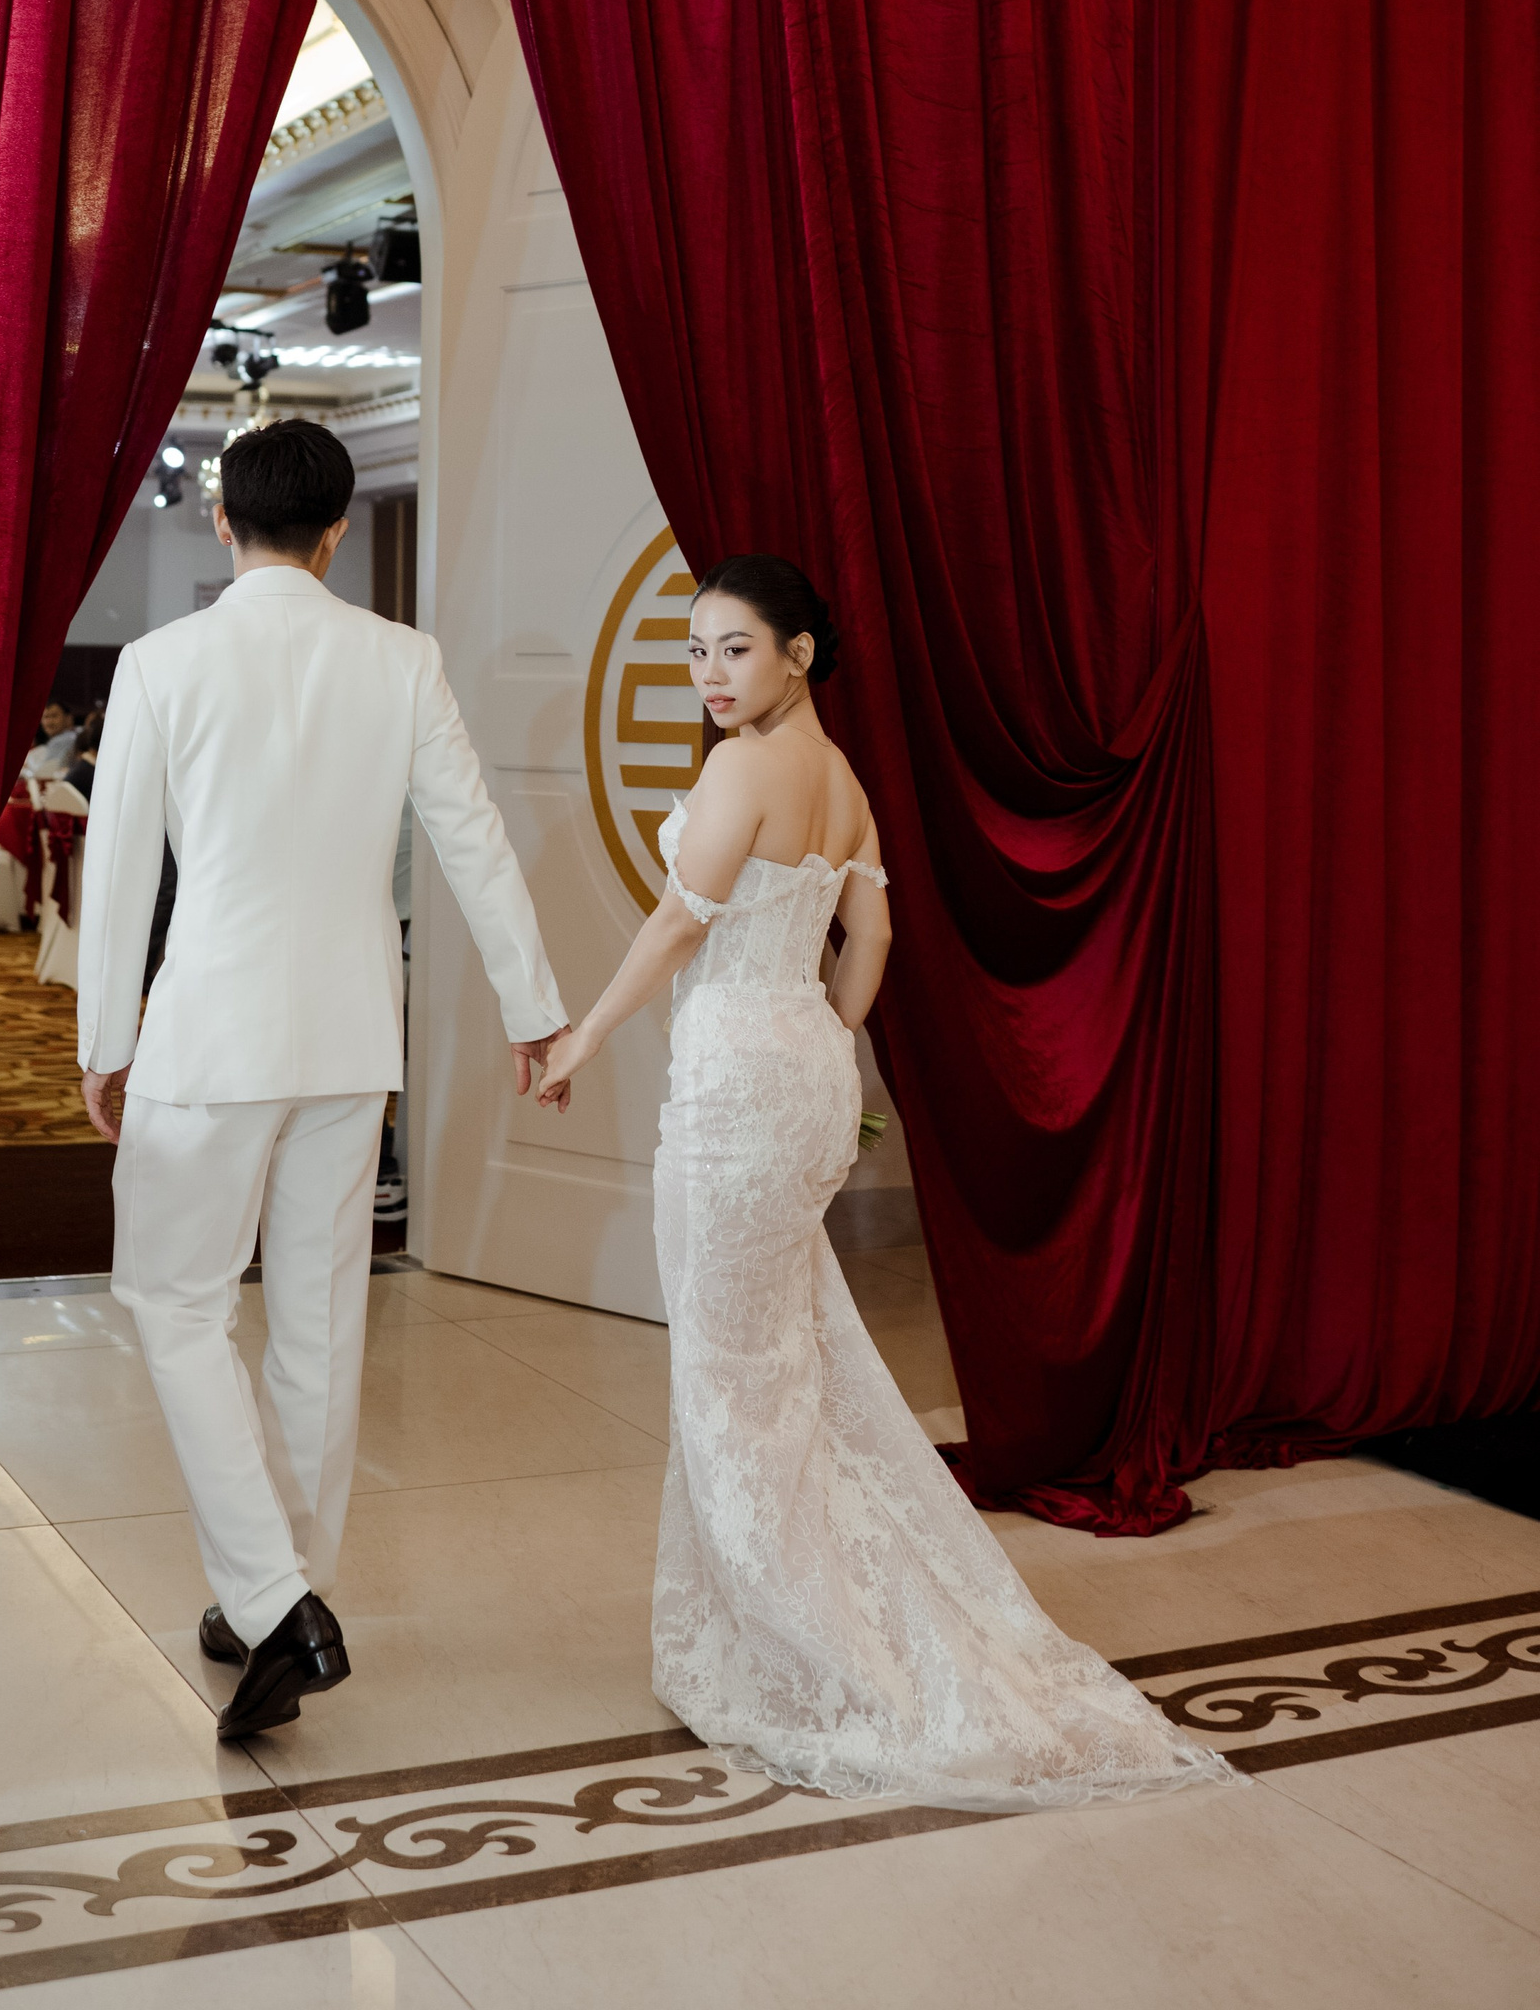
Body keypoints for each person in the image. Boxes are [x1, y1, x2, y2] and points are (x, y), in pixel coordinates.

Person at [534, 555, 1237, 1813]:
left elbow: (682, 923)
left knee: (731, 1378)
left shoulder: (744, 768)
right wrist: (825, 1042)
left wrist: (583, 1036)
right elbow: (874, 938)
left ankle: (809, 1654)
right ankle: (777, 1621)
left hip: (741, 1085)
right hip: (807, 1069)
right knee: (784, 1361)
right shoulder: (845, 777)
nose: (708, 675)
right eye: (695, 651)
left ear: (797, 652)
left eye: (734, 649)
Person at [77, 419, 568, 1744]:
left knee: (176, 1306)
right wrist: (533, 1008)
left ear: (224, 521)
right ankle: (276, 1592)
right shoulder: (401, 659)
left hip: (209, 1041)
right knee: (318, 1323)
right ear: (337, 533)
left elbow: (117, 869)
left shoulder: (161, 662)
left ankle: (277, 1601)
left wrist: (103, 1037)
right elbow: (473, 841)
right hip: (351, 1042)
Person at [23, 699, 79, 777]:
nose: (49, 722)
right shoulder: (57, 739)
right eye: (46, 717)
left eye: (54, 716)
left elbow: (46, 772)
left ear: (68, 718)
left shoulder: (67, 739)